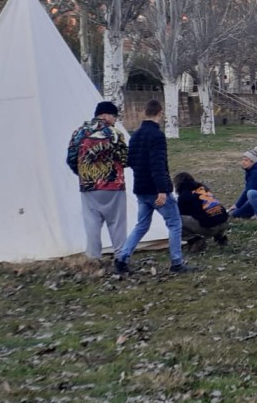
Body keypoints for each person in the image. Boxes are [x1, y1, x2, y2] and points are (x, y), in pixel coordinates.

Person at [115, 99, 196, 275]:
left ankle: (122, 258)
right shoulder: (157, 136)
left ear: (146, 112)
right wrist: (162, 190)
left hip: (141, 189)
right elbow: (157, 164)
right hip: (156, 189)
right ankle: (177, 262)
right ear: (160, 113)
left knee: (141, 225)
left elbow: (131, 161)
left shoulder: (135, 135)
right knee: (174, 223)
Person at [66, 100, 128, 264]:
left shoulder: (79, 133)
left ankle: (93, 259)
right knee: (117, 224)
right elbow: (124, 158)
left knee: (92, 222)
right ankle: (121, 258)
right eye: (114, 116)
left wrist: (83, 174)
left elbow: (71, 159)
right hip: (113, 184)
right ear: (106, 115)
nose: (115, 120)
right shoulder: (114, 133)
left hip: (88, 185)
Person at [174, 171, 230, 255]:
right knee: (212, 213)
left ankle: (194, 240)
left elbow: (181, 213)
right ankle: (220, 237)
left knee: (175, 219)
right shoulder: (203, 189)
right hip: (224, 222)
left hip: (209, 228)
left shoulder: (184, 196)